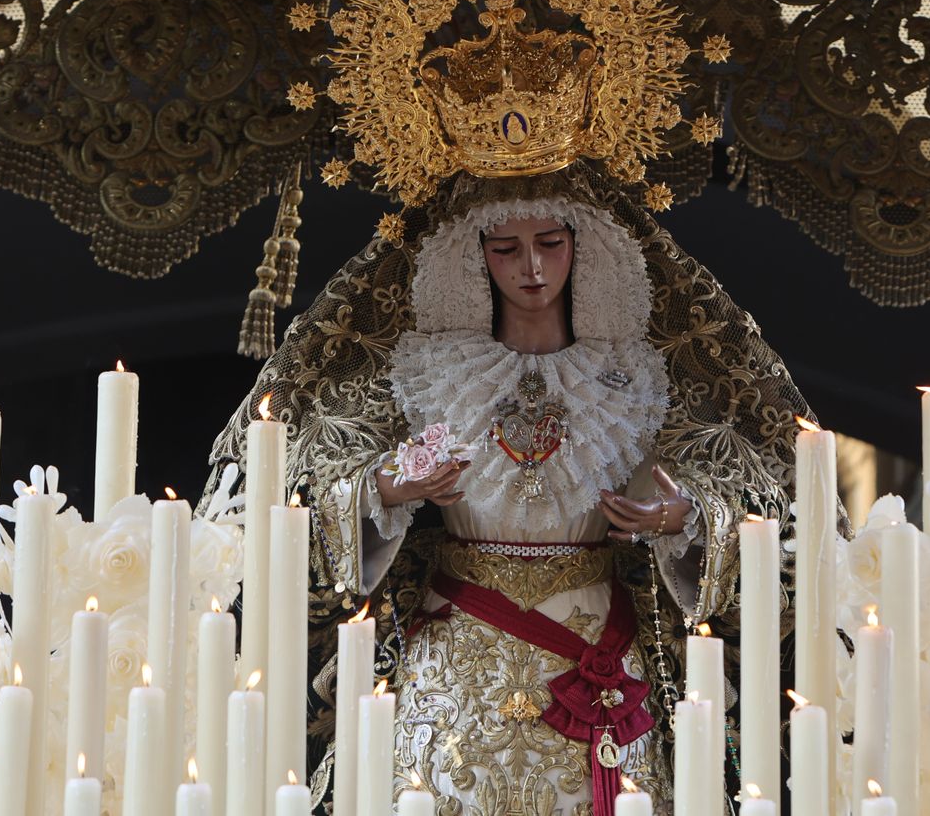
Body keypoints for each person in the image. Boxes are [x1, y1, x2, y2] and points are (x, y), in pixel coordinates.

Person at [209, 166, 820, 815]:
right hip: (452, 657)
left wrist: (682, 517)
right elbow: (308, 486)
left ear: (581, 245)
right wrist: (387, 488)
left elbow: (743, 496)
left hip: (598, 641)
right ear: (476, 257)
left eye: (550, 243)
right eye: (506, 248)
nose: (532, 267)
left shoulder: (633, 377)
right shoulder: (434, 370)